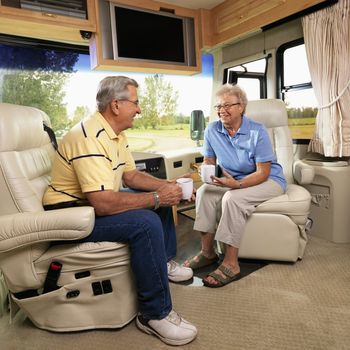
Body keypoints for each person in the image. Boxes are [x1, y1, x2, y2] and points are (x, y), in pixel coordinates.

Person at [43, 76, 197, 346]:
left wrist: (168, 187)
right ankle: (153, 314)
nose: (139, 110)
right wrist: (157, 197)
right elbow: (102, 203)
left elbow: (131, 177)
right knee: (147, 220)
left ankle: (161, 262)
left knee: (159, 202)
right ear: (116, 105)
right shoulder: (88, 137)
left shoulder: (116, 134)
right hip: (68, 216)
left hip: (89, 206)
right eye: (135, 103)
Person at [184, 84, 286, 288]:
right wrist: (203, 174)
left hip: (268, 180)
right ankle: (207, 252)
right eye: (219, 106)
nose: (222, 110)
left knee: (232, 198)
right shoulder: (212, 130)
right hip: (232, 179)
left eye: (227, 105)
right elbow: (209, 161)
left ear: (241, 107)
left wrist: (237, 185)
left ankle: (231, 263)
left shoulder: (257, 131)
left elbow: (263, 172)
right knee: (204, 192)